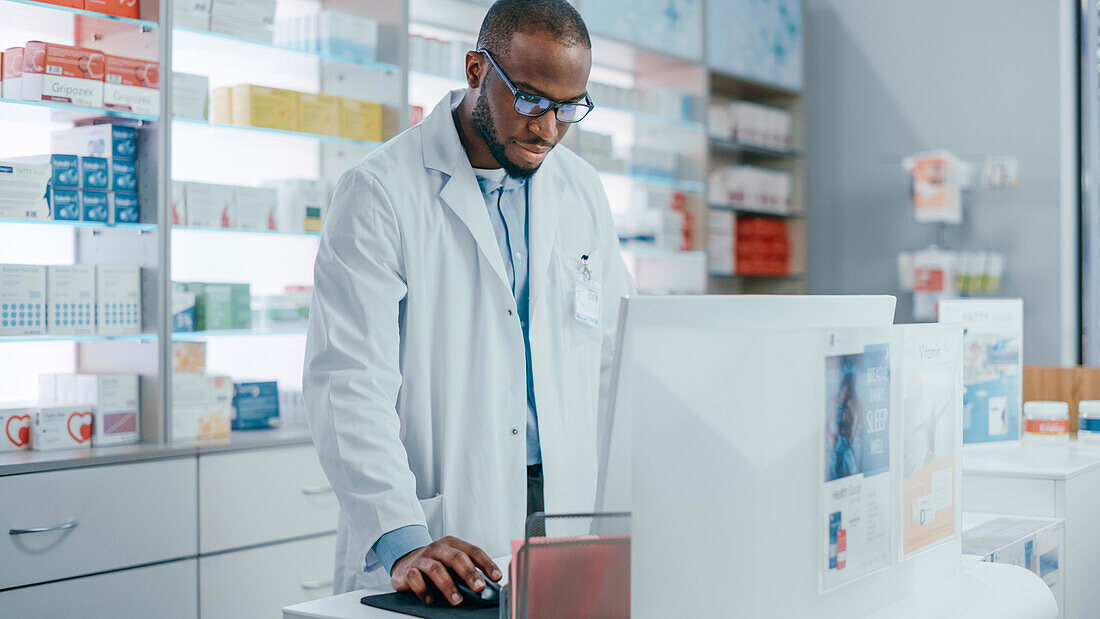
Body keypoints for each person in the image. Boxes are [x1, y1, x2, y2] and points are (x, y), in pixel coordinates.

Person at [302, 0, 635, 606]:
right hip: (444, 525)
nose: (549, 128)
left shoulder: (580, 190)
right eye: (531, 100)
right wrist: (403, 538)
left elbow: (615, 358)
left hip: (566, 515)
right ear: (477, 70)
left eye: (568, 108)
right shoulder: (380, 191)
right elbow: (347, 383)